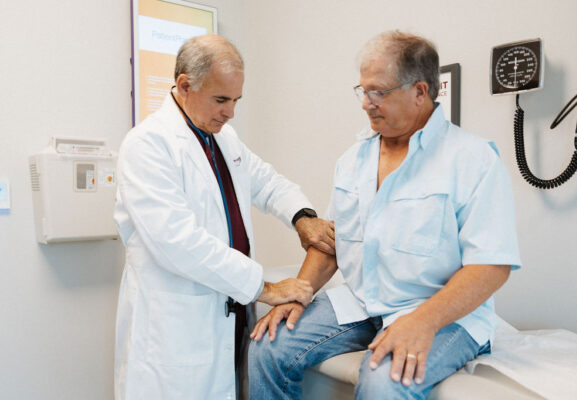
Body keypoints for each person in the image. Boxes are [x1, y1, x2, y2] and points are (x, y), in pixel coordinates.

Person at [249, 31, 521, 399]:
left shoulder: (472, 159)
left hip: (438, 311)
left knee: (381, 379)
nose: (366, 103)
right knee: (268, 345)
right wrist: (300, 293)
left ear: (420, 92)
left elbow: (491, 266)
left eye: (378, 92)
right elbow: (331, 242)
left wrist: (422, 322)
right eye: (362, 91)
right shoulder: (353, 160)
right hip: (362, 302)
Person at [113, 35, 335, 400]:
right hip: (176, 327)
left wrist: (303, 217)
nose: (230, 111)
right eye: (221, 100)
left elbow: (267, 182)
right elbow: (176, 242)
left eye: (236, 100)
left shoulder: (224, 138)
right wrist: (265, 287)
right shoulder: (148, 145)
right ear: (185, 85)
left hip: (225, 318)